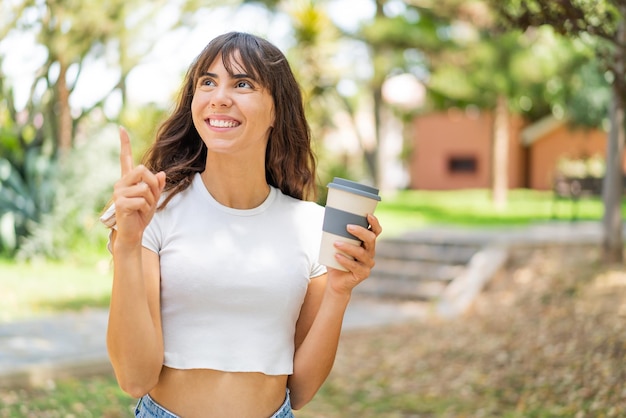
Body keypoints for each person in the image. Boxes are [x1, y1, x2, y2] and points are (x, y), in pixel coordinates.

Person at [100, 31, 382, 418]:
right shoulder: (152, 213)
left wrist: (339, 290)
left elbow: (299, 390)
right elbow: (134, 379)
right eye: (208, 82)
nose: (219, 96)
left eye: (243, 83)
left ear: (276, 110)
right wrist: (128, 245)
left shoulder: (311, 225)